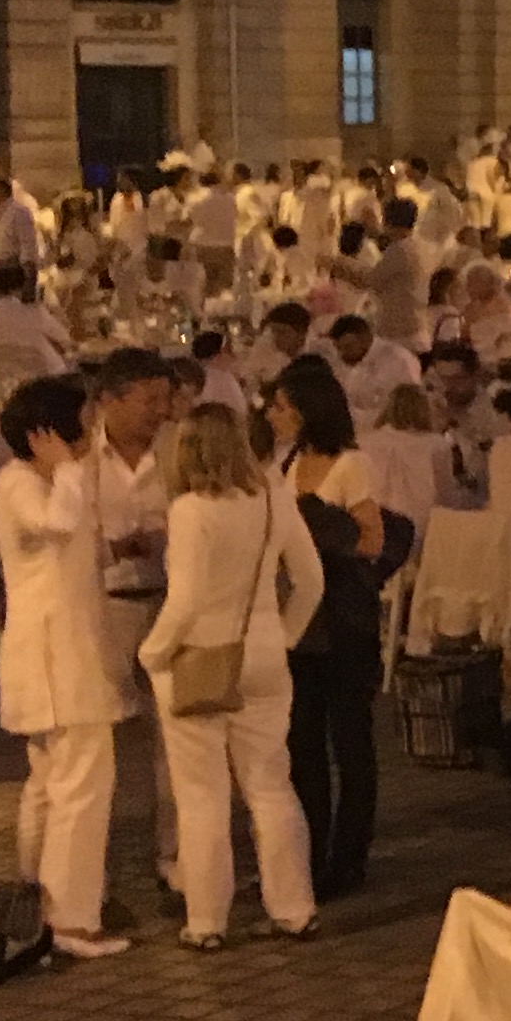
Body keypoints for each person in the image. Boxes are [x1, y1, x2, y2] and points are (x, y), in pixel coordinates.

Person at [140, 400, 322, 950]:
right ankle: (294, 908)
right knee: (270, 784)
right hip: (263, 655)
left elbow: (186, 599)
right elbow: (311, 581)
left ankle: (206, 922)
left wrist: (154, 652)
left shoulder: (192, 509)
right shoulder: (273, 497)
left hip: (198, 659)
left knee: (201, 797)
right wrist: (283, 636)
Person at [0, 373, 128, 964]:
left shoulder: (39, 481)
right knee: (80, 787)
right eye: (84, 420)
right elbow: (59, 524)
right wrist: (67, 468)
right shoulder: (23, 481)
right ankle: (70, 917)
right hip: (57, 663)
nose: (93, 432)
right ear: (50, 432)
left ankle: (42, 905)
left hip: (60, 658)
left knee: (52, 786)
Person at [266, 351, 392, 898]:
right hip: (298, 621)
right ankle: (310, 852)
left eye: (280, 406)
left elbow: (372, 539)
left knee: (350, 741)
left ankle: (350, 854)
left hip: (341, 619)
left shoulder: (350, 465)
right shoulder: (287, 462)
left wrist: (320, 532)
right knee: (303, 743)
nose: (272, 414)